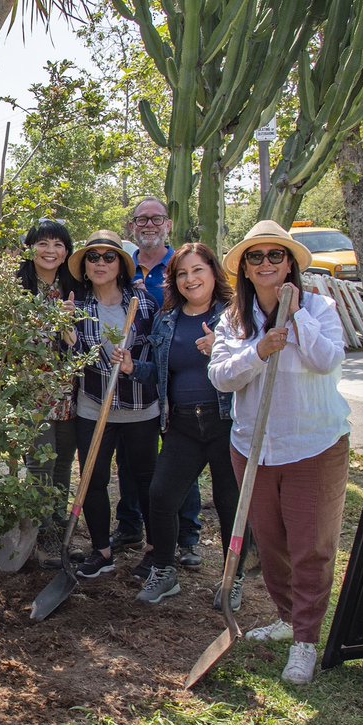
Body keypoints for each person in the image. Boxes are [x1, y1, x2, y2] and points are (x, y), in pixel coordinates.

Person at [209, 220, 349, 685]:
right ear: (245, 269)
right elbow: (222, 377)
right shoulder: (232, 321)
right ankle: (288, 617)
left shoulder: (321, 307)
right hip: (253, 447)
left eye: (275, 255)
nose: (266, 263)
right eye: (256, 257)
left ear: (289, 263)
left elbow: (328, 359)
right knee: (272, 544)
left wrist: (295, 317)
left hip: (314, 444)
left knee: (311, 546)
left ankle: (306, 641)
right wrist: (260, 350)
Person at [132, 243, 246, 606]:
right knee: (161, 495)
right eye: (182, 273)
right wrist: (134, 369)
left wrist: (222, 350)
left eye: (198, 270)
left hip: (226, 421)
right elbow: (162, 371)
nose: (190, 279)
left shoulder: (236, 316)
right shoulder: (168, 320)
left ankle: (233, 578)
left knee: (229, 501)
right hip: (181, 423)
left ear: (214, 272)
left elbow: (254, 365)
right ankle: (165, 571)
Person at [115, 197, 204, 567]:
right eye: (141, 220)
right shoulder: (124, 265)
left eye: (156, 219)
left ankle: (188, 536)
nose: (148, 225)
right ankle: (131, 524)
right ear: (132, 227)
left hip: (173, 372)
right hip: (132, 371)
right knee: (132, 456)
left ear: (168, 224)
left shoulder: (179, 265)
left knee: (179, 454)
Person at [65, 230, 159, 579]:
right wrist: (67, 337)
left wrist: (136, 366)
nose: (100, 263)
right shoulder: (78, 309)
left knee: (145, 479)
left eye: (108, 257)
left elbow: (158, 359)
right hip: (93, 407)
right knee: (93, 478)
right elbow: (69, 362)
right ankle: (102, 551)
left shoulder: (144, 304)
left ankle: (154, 551)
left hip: (139, 410)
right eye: (93, 257)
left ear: (120, 264)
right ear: (85, 266)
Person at [15, 219, 80, 551]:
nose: (50, 251)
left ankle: (56, 520)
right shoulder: (17, 289)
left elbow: (76, 341)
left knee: (64, 459)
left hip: (68, 389)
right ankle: (40, 528)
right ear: (30, 248)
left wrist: (68, 321)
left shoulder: (75, 288)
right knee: (41, 460)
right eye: (43, 243)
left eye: (58, 244)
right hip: (30, 391)